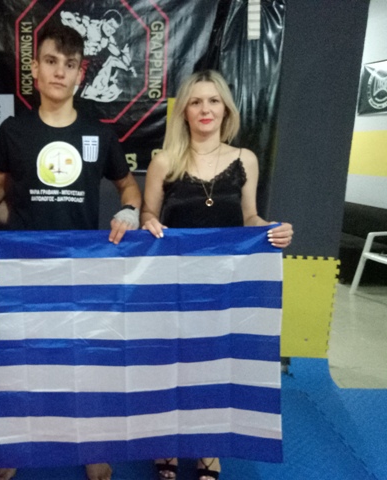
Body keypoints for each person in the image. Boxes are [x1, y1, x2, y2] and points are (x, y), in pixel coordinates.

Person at [0, 24, 141, 480]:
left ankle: (91, 445)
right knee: (20, 360)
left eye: (69, 64)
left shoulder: (98, 133)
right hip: (23, 266)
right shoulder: (14, 129)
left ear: (80, 74)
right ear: (36, 70)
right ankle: (14, 446)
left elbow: (127, 184)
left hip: (82, 270)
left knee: (83, 361)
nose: (60, 71)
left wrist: (130, 210)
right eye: (51, 61)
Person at [140, 70, 293, 480]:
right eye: (195, 101)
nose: (205, 109)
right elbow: (148, 213)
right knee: (170, 364)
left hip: (225, 288)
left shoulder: (245, 159)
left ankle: (208, 447)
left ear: (226, 109)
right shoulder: (163, 162)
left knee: (214, 366)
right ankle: (166, 442)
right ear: (184, 112)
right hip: (173, 285)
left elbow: (250, 217)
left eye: (213, 100)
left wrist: (270, 230)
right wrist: (149, 221)